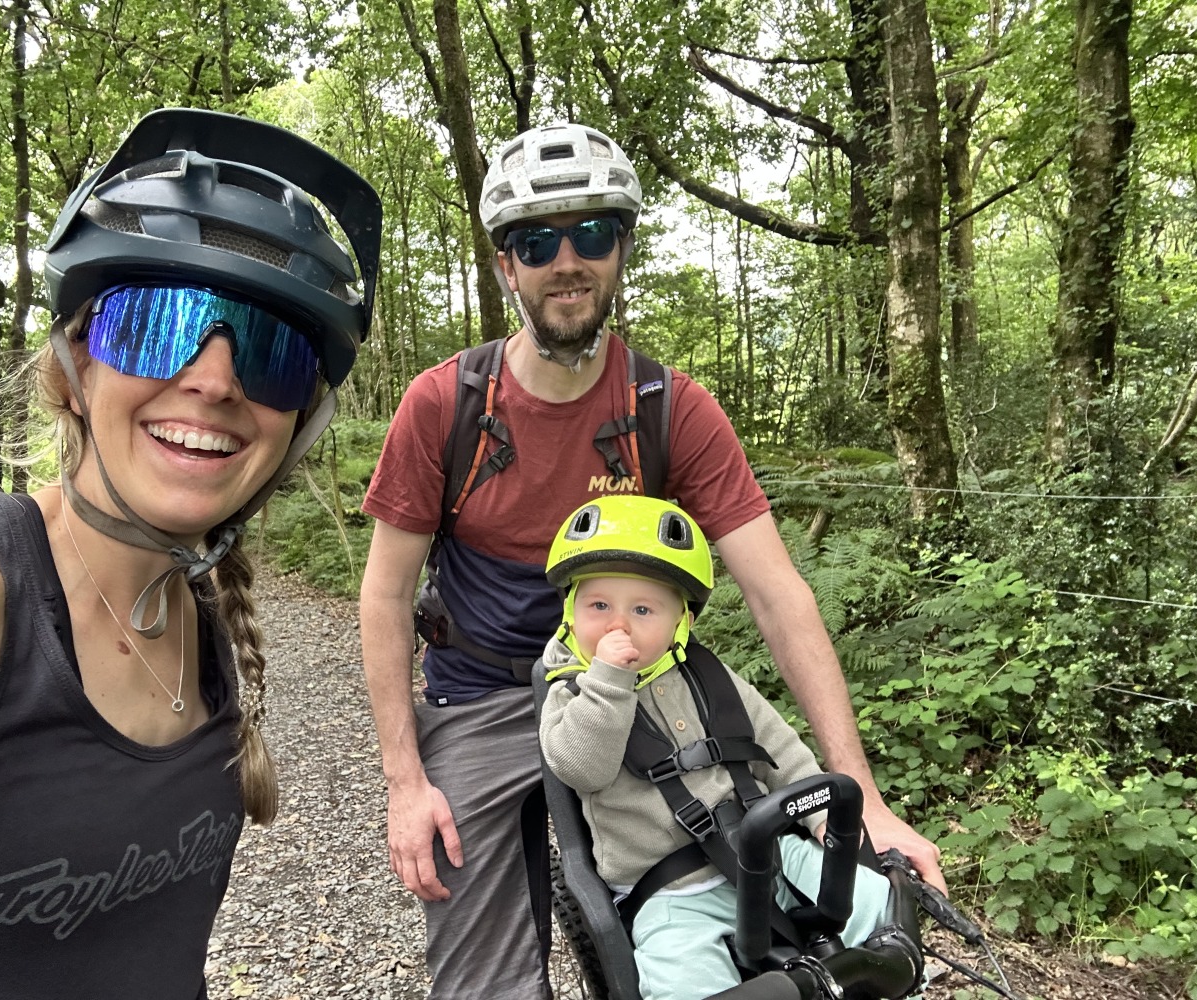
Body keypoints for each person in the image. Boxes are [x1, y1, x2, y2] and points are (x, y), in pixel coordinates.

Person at [359, 121, 941, 1000]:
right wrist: (406, 785)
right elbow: (385, 594)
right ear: (504, 265)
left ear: (621, 247)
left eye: (592, 233)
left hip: (641, 685)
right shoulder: (446, 405)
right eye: (535, 239)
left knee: (751, 896)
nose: (567, 259)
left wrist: (862, 798)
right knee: (481, 976)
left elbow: (777, 591)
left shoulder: (668, 409)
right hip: (480, 693)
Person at [0, 107, 380, 999]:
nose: (216, 379)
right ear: (75, 364)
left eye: (267, 353)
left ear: (297, 425)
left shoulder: (198, 614)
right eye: (160, 323)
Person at [539, 495, 902, 1000]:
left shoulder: (710, 678)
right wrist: (608, 682)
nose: (617, 624)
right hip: (669, 890)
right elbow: (583, 768)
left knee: (877, 903)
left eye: (643, 609)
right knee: (682, 980)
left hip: (768, 852)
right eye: (598, 605)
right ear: (570, 611)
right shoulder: (572, 693)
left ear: (680, 623)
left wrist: (818, 817)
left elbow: (777, 744)